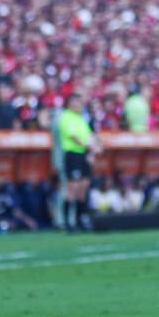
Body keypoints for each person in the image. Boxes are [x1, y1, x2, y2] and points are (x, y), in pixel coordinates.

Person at [58, 93, 97, 232]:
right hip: (73, 155)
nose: (80, 105)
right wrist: (89, 147)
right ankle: (67, 223)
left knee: (83, 189)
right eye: (77, 103)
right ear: (70, 103)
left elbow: (89, 135)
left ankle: (81, 220)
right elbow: (74, 137)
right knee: (72, 189)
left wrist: (93, 148)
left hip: (83, 155)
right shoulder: (66, 117)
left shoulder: (81, 118)